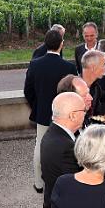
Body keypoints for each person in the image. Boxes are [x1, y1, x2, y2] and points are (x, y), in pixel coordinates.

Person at [24, 29, 77, 193]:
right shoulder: (69, 66)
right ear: (61, 44)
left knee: (40, 145)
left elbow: (28, 91)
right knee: (67, 147)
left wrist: (37, 105)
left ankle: (39, 183)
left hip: (43, 113)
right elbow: (73, 92)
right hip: (65, 114)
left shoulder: (35, 64)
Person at [81, 49, 105, 119]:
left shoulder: (97, 88)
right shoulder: (73, 87)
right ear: (93, 67)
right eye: (104, 65)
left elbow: (95, 115)